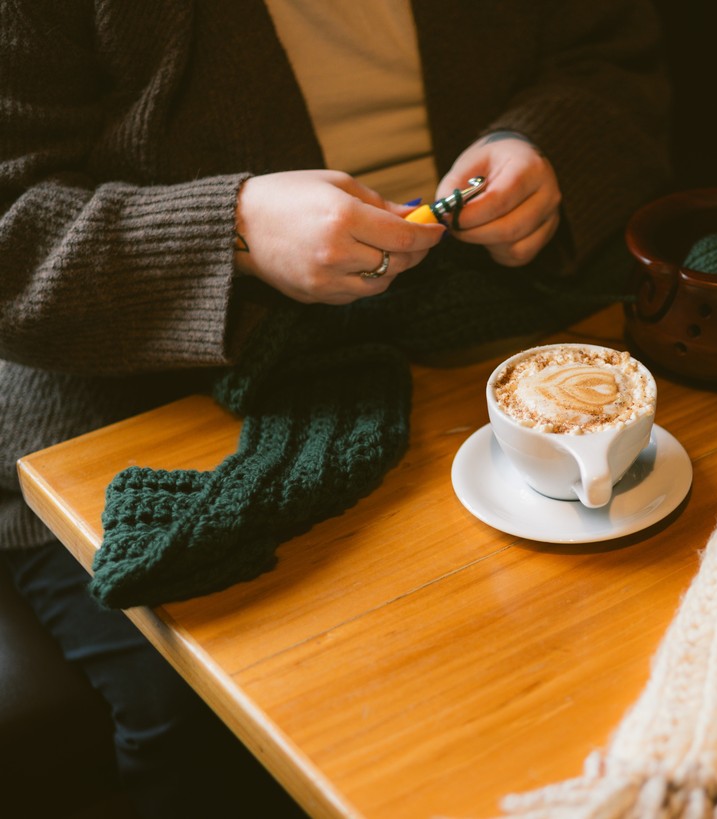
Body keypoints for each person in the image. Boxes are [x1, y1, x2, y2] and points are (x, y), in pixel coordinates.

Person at [0, 1, 671, 815]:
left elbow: (612, 58)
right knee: (210, 705)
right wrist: (231, 230)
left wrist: (548, 146)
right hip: (143, 380)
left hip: (490, 312)